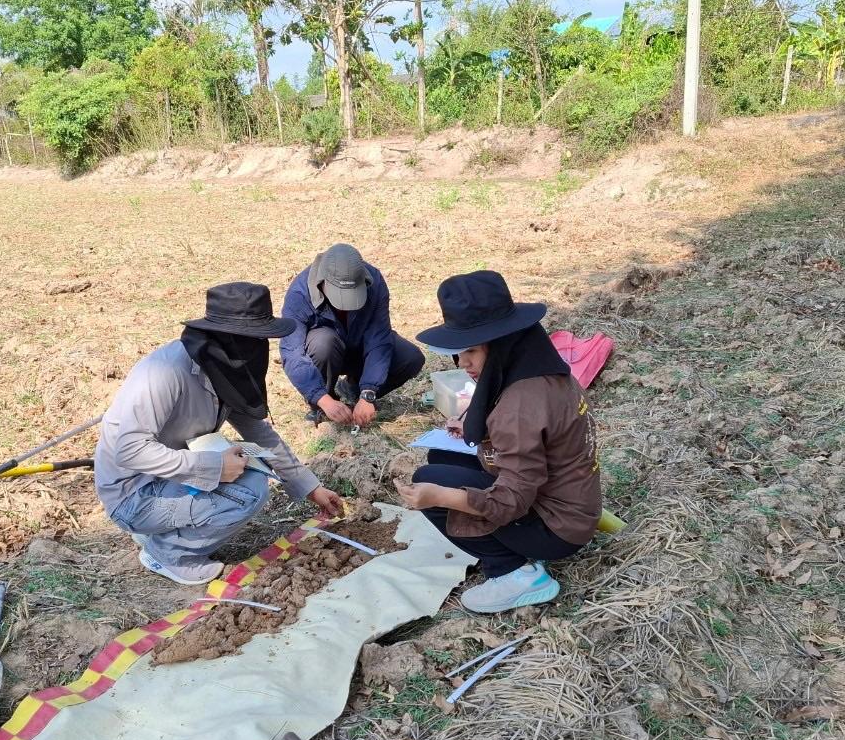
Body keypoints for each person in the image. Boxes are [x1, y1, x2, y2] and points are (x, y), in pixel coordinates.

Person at [94, 281, 344, 585]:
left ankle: (159, 532)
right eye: (254, 339)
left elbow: (259, 434)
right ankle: (167, 552)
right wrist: (213, 468)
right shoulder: (166, 373)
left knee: (252, 474)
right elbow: (130, 450)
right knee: (247, 493)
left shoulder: (227, 367)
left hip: (170, 475)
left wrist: (309, 487)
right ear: (225, 336)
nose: (259, 350)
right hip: (133, 494)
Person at [395, 271, 602, 613]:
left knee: (430, 481)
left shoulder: (519, 406)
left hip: (558, 528)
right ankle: (504, 548)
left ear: (504, 342)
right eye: (458, 354)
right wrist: (475, 428)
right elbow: (533, 438)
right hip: (573, 502)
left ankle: (514, 572)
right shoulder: (542, 371)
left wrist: (440, 497)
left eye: (472, 351)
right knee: (439, 458)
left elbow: (512, 502)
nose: (464, 364)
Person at [280, 243, 425, 428]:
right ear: (322, 282)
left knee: (410, 358)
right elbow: (292, 352)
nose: (344, 305)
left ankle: (353, 390)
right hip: (327, 352)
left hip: (360, 347)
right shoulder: (300, 293)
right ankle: (324, 403)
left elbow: (379, 339)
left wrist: (368, 393)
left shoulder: (375, 282)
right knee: (323, 342)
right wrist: (321, 398)